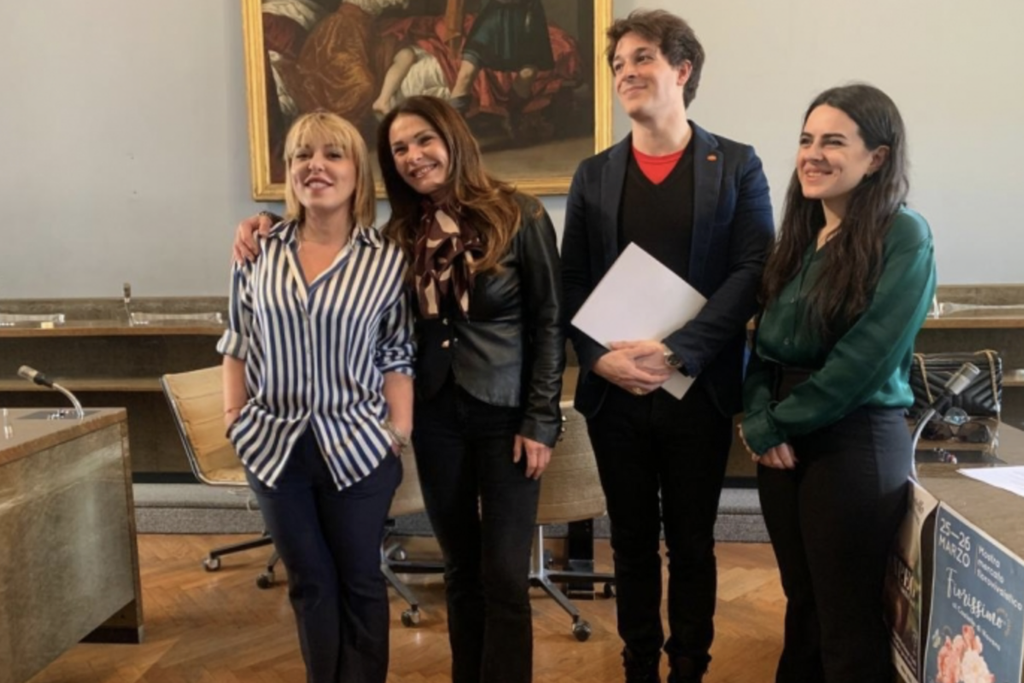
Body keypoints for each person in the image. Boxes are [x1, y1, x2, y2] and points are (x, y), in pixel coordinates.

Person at [233, 95, 564, 683]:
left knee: (505, 575)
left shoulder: (520, 215)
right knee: (460, 569)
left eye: (424, 140)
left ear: (454, 139)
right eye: (400, 148)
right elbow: (387, 330)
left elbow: (549, 321)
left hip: (505, 414)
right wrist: (260, 221)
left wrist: (541, 418)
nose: (414, 156)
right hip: (438, 418)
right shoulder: (399, 236)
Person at [561, 10, 775, 683]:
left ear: (682, 70)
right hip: (615, 391)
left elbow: (752, 270)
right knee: (627, 542)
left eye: (642, 57)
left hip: (697, 389)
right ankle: (637, 666)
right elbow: (572, 283)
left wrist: (680, 350)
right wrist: (598, 358)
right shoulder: (593, 174)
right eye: (618, 63)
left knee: (691, 543)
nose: (626, 71)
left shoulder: (736, 164)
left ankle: (688, 666)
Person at [738, 84, 937, 683]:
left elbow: (865, 359)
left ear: (877, 157)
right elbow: (764, 347)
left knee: (846, 621)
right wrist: (758, 418)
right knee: (802, 607)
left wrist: (775, 422)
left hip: (854, 441)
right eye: (806, 140)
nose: (813, 154)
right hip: (781, 445)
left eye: (833, 141)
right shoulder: (798, 240)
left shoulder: (904, 235)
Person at [219, 110, 414, 683]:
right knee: (309, 582)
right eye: (303, 155)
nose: (316, 166)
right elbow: (237, 339)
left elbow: (397, 354)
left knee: (360, 579)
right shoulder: (258, 250)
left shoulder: (386, 259)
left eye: (333, 154)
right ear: (289, 170)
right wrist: (234, 418)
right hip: (274, 448)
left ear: (357, 172)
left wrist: (397, 433)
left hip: (359, 446)